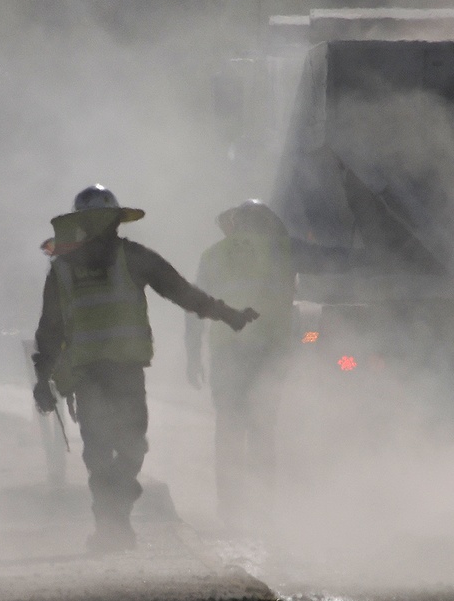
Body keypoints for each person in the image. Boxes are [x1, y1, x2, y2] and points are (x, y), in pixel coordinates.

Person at [31, 185, 258, 554]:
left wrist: (227, 315)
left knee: (129, 449)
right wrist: (43, 378)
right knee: (101, 452)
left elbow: (183, 293)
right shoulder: (77, 268)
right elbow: (49, 330)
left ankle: (114, 514)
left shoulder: (127, 259)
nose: (103, 232)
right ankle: (111, 524)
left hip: (120, 373)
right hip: (93, 375)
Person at [184, 200, 299, 531]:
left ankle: (230, 509)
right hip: (269, 354)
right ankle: (265, 510)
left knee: (229, 430)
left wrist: (192, 354)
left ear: (233, 224)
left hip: (227, 353)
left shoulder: (213, 255)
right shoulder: (283, 253)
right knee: (263, 431)